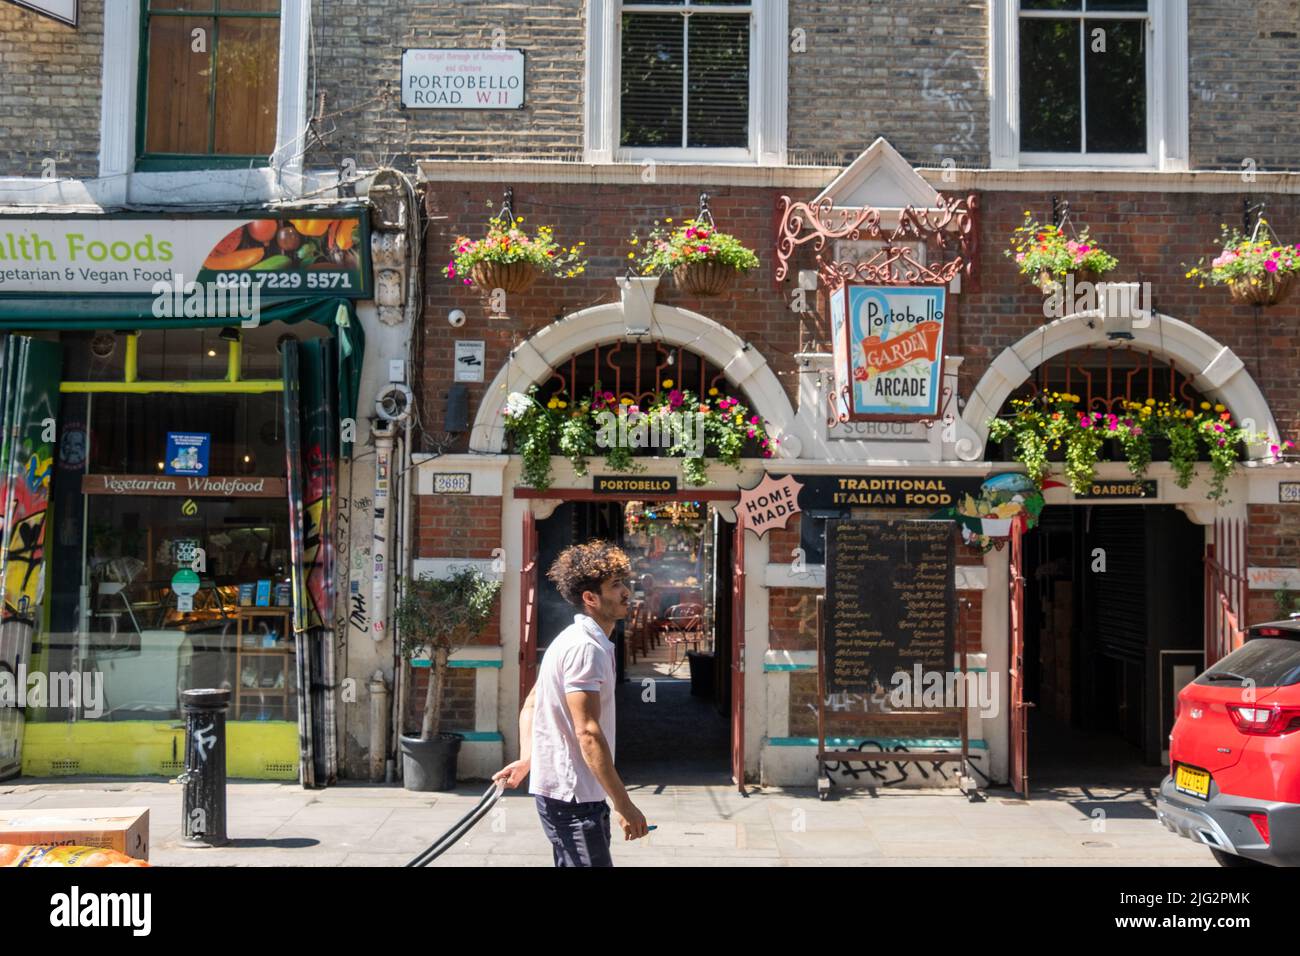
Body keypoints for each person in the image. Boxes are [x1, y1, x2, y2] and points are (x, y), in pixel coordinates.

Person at [492, 539, 649, 866]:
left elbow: (533, 703)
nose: (626, 593)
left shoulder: (576, 640)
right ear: (590, 598)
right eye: (616, 585)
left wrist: (527, 759)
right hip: (574, 799)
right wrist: (623, 803)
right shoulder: (585, 649)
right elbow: (588, 732)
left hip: (572, 794)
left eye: (624, 583)